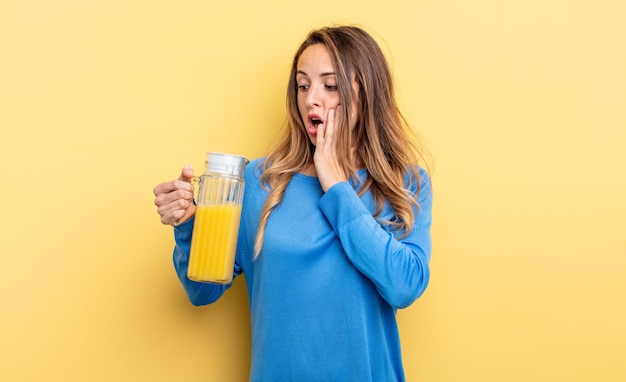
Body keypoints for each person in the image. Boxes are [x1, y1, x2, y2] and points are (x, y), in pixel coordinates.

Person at [153, 25, 433, 381]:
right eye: (303, 85)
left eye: (330, 86)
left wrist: (336, 186)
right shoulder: (260, 182)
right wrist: (188, 225)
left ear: (368, 93)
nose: (311, 98)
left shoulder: (405, 183)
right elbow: (201, 290)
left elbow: (405, 286)